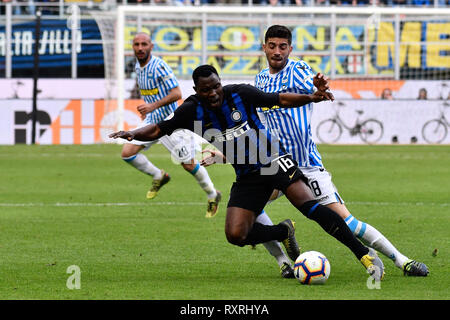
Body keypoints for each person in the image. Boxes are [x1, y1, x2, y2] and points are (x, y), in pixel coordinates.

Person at [109, 64, 385, 281]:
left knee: (310, 207)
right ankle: (281, 231)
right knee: (236, 235)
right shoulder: (191, 110)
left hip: (273, 160)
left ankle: (365, 256)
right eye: (207, 90)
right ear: (197, 90)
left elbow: (280, 99)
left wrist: (313, 97)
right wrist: (133, 133)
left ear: (220, 83)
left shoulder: (240, 93)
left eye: (216, 86)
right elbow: (159, 128)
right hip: (247, 175)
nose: (214, 93)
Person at [252, 25, 428, 277]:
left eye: (282, 46)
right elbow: (260, 124)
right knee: (250, 208)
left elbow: (314, 86)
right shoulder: (260, 80)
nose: (277, 51)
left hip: (306, 166)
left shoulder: (296, 70)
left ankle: (402, 260)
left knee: (347, 222)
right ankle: (283, 263)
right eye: (272, 46)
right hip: (277, 165)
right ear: (264, 47)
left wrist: (319, 87)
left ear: (290, 49)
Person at [120, 32, 221, 218]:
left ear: (151, 46)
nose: (140, 48)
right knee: (127, 153)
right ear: (132, 47)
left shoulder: (159, 66)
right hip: (152, 122)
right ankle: (160, 176)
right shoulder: (138, 66)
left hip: (172, 123)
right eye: (136, 44)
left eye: (144, 44)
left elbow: (177, 93)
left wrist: (152, 105)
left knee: (189, 165)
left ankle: (213, 194)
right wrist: (150, 109)